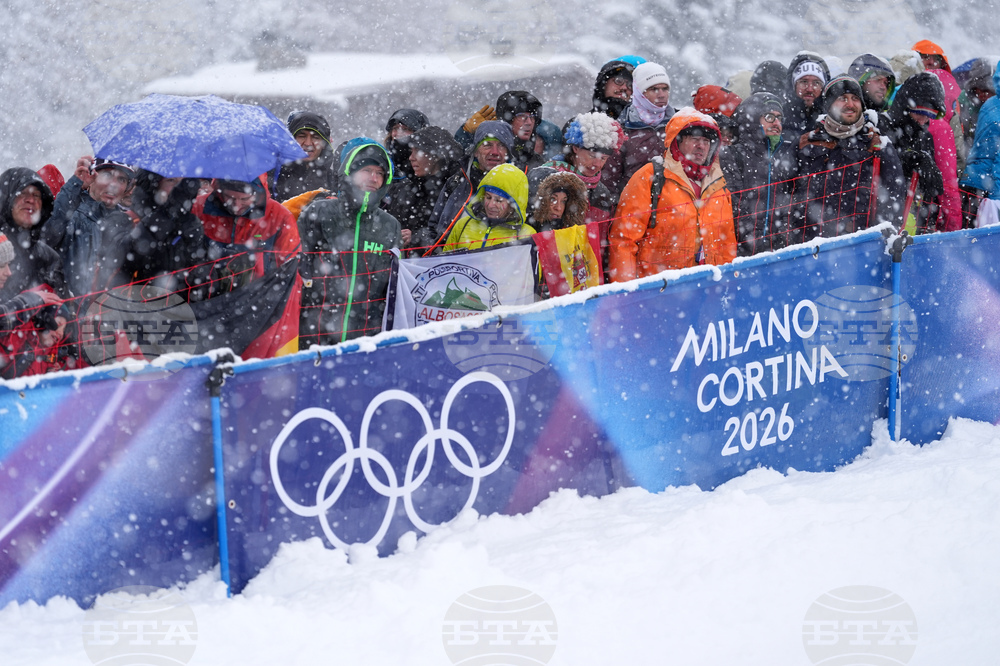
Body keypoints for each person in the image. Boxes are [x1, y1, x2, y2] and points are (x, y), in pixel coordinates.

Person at [609, 109, 737, 281]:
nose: (701, 146)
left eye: (706, 141)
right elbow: (624, 240)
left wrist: (729, 283)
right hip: (659, 287)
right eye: (695, 139)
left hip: (709, 286)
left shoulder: (719, 185)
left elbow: (727, 244)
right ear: (677, 141)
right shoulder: (650, 177)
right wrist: (627, 290)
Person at [297, 138, 401, 346]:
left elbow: (394, 287)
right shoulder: (320, 213)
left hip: (367, 340)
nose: (373, 178)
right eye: (366, 170)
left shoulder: (390, 226)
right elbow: (297, 270)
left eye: (380, 173)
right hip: (315, 335)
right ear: (350, 172)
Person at [794, 75, 905, 243]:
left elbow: (893, 199)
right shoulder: (805, 142)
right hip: (809, 245)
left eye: (855, 98)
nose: (850, 104)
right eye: (842, 98)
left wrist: (880, 238)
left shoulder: (878, 144)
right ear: (829, 105)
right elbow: (783, 194)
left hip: (859, 245)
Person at [41, 156, 134, 298]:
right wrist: (75, 185)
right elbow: (45, 239)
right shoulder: (70, 213)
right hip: (67, 307)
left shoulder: (128, 225)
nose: (113, 185)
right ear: (92, 177)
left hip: (107, 309)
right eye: (107, 175)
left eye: (122, 179)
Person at [720, 92, 798, 255]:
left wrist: (781, 242)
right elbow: (733, 208)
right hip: (739, 252)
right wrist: (751, 245)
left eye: (779, 118)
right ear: (752, 120)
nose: (776, 123)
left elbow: (788, 208)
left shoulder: (784, 158)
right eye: (769, 117)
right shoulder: (733, 155)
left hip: (776, 252)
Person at [115, 170, 209, 294]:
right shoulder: (126, 219)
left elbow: (198, 271)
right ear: (154, 185)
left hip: (180, 304)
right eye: (171, 180)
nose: (179, 187)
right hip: (139, 302)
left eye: (183, 181)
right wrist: (162, 218)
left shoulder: (190, 222)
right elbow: (119, 262)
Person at [429, 120, 515, 251]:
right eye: (487, 145)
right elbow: (433, 228)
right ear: (475, 152)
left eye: (502, 146)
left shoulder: (520, 187)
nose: (495, 152)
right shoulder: (457, 182)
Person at [877, 73, 947, 234]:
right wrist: (907, 161)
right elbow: (873, 169)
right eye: (920, 113)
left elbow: (928, 194)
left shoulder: (924, 137)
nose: (923, 120)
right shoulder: (881, 125)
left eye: (931, 115)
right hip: (880, 220)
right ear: (904, 107)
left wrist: (928, 223)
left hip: (911, 226)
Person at [528, 111, 624, 223]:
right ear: (575, 148)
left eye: (603, 158)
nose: (597, 164)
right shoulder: (544, 178)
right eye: (592, 156)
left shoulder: (601, 192)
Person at [382, 126, 464, 254]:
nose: (411, 157)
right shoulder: (403, 189)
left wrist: (417, 238)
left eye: (417, 151)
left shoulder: (455, 193)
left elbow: (452, 236)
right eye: (411, 151)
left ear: (436, 155)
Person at [601, 61, 677, 198]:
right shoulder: (621, 129)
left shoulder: (680, 124)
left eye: (665, 88)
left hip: (676, 206)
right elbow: (609, 183)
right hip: (634, 206)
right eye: (654, 89)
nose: (662, 94)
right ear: (640, 93)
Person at [0, 168, 65, 304]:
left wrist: (58, 312)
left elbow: (62, 303)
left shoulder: (50, 257)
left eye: (36, 195)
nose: (30, 200)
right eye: (22, 193)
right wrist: (25, 303)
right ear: (6, 198)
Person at [443, 163, 535, 253]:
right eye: (488, 197)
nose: (490, 205)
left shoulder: (526, 235)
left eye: (498, 200)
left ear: (513, 205)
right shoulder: (462, 225)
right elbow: (445, 261)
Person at [456, 92, 542, 171]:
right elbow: (454, 162)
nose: (529, 122)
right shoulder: (479, 158)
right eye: (522, 116)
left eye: (533, 117)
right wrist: (465, 134)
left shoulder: (537, 164)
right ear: (507, 119)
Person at [960, 61, 1000, 225]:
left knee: (969, 235)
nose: (982, 94)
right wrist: (996, 195)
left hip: (974, 181)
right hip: (988, 188)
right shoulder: (991, 105)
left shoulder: (990, 104)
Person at [270, 111, 338, 202]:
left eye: (315, 137)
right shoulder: (274, 175)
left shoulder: (334, 180)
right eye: (302, 136)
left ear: (324, 145)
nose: (308, 143)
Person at [784, 52, 831, 135]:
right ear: (793, 86)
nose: (809, 89)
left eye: (816, 83)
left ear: (823, 87)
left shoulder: (833, 119)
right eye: (804, 82)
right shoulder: (778, 118)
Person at [384, 108, 430, 181]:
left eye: (405, 129)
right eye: (395, 128)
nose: (399, 133)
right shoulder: (383, 162)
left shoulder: (430, 166)